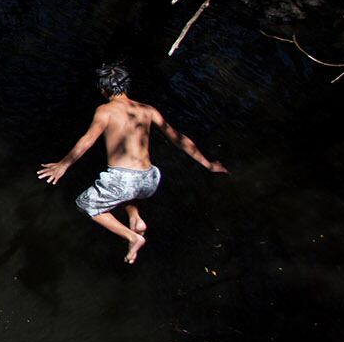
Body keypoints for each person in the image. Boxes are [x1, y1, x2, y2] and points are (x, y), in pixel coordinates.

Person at [37, 63, 228, 264]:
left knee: (85, 204)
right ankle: (135, 218)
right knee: (125, 192)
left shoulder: (105, 110)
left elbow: (87, 140)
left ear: (103, 89)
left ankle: (132, 237)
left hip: (123, 179)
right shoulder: (147, 110)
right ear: (125, 86)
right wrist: (208, 164)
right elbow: (179, 139)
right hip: (150, 179)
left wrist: (63, 164)